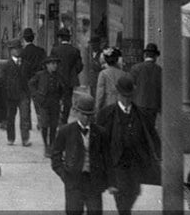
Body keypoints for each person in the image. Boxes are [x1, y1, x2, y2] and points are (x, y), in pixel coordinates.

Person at [95, 73, 160, 215]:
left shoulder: (142, 114)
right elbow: (98, 140)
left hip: (135, 163)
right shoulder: (106, 114)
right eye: (124, 96)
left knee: (133, 193)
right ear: (118, 94)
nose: (126, 100)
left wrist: (157, 156)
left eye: (129, 96)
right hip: (116, 163)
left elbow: (152, 137)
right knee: (122, 198)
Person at [51, 94, 107, 215]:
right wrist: (64, 175)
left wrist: (104, 180)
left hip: (94, 182)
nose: (86, 118)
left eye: (89, 115)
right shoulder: (65, 131)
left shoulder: (101, 132)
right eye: (83, 114)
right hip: (74, 182)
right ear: (77, 113)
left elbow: (107, 158)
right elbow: (55, 156)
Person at [30, 54, 72, 158]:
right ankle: (46, 145)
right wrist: (36, 95)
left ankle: (52, 144)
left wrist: (62, 98)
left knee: (53, 125)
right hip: (44, 102)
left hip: (55, 102)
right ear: (47, 65)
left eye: (56, 64)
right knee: (44, 125)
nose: (55, 66)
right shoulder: (40, 75)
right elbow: (31, 84)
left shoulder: (59, 76)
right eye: (52, 64)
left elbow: (64, 88)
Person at [0, 42, 30, 146]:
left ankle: (25, 139)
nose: (17, 51)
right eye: (14, 49)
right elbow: (2, 81)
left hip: (23, 94)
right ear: (11, 51)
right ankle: (11, 138)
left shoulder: (26, 64)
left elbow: (30, 78)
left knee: (24, 117)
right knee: (10, 117)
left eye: (18, 48)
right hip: (10, 95)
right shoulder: (7, 65)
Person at [127, 43, 161, 124]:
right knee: (150, 128)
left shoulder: (136, 68)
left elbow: (129, 86)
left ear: (145, 55)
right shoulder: (159, 70)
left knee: (139, 128)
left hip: (138, 104)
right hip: (153, 105)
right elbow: (161, 89)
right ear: (155, 56)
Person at [94, 48, 124, 114]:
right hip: (121, 103)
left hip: (107, 103)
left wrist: (97, 107)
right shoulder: (123, 74)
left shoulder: (103, 74)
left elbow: (100, 93)